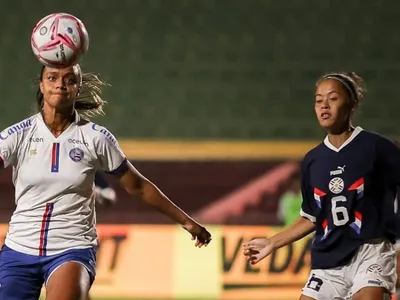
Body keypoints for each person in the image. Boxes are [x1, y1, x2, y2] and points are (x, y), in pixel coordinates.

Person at [0, 64, 211, 300]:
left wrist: (187, 222)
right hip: (19, 248)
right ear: (41, 85)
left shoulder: (96, 138)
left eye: (70, 80)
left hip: (71, 248)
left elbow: (138, 187)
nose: (60, 84)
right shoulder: (17, 135)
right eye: (52, 78)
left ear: (78, 88)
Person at [243, 72, 398, 300]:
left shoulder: (376, 147)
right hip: (328, 261)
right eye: (318, 100)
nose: (324, 105)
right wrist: (271, 243)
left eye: (333, 98)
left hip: (370, 252)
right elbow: (311, 216)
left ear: (352, 103)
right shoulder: (313, 160)